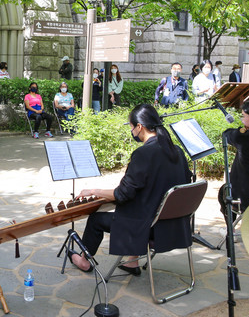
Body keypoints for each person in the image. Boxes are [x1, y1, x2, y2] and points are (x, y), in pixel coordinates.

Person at [69, 104, 192, 275]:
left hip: (148, 226)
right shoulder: (177, 151)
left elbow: (122, 194)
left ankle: (83, 261)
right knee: (141, 205)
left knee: (96, 219)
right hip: (172, 224)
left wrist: (94, 191)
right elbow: (185, 182)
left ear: (140, 127)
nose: (132, 131)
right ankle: (132, 262)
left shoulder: (144, 154)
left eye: (132, 127)